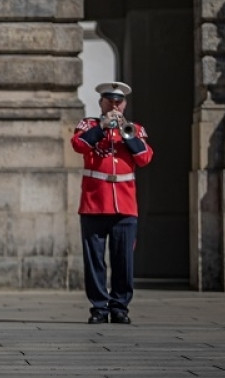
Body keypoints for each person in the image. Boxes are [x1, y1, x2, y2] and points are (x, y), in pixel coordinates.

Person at [71, 81, 154, 325]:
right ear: (101, 103)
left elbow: (144, 157)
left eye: (119, 101)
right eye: (110, 100)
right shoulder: (88, 125)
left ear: (125, 104)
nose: (114, 105)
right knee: (95, 259)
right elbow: (79, 145)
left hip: (125, 206)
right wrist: (102, 128)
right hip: (94, 203)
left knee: (123, 260)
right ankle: (98, 307)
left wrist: (126, 134)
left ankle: (120, 306)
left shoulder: (135, 129)